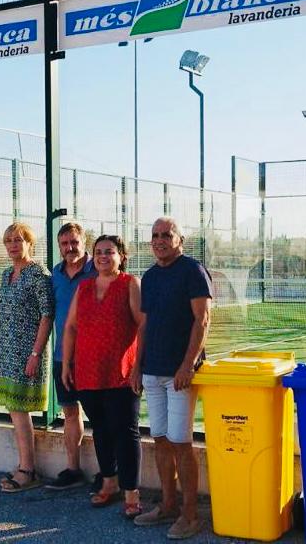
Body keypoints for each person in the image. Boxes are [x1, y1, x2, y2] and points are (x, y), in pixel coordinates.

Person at [131, 217, 213, 540]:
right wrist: (138, 366)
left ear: (180, 239)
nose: (160, 240)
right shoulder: (149, 278)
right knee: (161, 441)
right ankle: (167, 505)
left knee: (181, 443)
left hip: (180, 375)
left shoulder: (193, 271)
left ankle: (190, 516)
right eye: (155, 236)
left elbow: (202, 320)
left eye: (167, 235)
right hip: (153, 372)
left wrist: (187, 365)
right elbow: (145, 326)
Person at [61, 235, 142, 518]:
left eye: (109, 252)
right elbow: (70, 327)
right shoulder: (83, 287)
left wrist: (138, 366)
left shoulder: (130, 284)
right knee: (101, 430)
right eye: (98, 252)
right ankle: (110, 482)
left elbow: (143, 325)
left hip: (121, 374)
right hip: (87, 372)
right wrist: (66, 365)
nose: (103, 256)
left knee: (125, 432)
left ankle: (132, 492)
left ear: (121, 255)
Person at [0, 222, 53, 493]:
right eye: (9, 240)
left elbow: (47, 315)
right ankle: (24, 465)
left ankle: (28, 470)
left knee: (20, 410)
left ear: (30, 243)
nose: (13, 245)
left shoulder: (38, 273)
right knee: (14, 409)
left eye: (18, 240)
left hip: (27, 351)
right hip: (5, 349)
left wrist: (35, 354)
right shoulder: (6, 274)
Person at [45, 222, 95, 491]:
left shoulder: (97, 270)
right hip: (62, 357)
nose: (69, 248)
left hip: (93, 357)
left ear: (83, 242)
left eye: (74, 242)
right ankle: (73, 469)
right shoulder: (56, 274)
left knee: (100, 417)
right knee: (69, 413)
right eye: (64, 244)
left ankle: (107, 473)